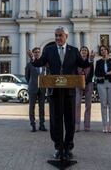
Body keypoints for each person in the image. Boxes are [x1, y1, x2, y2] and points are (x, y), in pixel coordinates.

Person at [28, 26, 94, 160]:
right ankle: (58, 147)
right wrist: (33, 59)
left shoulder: (74, 51)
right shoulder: (48, 50)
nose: (57, 38)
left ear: (66, 37)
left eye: (60, 35)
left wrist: (90, 60)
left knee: (70, 121)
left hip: (69, 91)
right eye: (56, 35)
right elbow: (39, 63)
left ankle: (68, 148)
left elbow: (83, 63)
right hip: (55, 91)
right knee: (55, 121)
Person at [94, 45, 111, 133]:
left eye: (104, 50)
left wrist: (107, 73)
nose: (103, 51)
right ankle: (104, 125)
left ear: (107, 51)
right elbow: (96, 74)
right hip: (101, 84)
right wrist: (108, 73)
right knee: (103, 104)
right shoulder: (98, 62)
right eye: (101, 50)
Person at [25, 47, 47, 133]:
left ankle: (42, 125)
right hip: (32, 88)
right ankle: (33, 124)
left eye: (38, 52)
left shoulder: (43, 64)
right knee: (32, 107)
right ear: (33, 54)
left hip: (42, 88)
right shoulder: (29, 64)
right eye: (35, 52)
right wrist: (31, 83)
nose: (37, 53)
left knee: (42, 107)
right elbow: (27, 77)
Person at [75, 46, 94, 132]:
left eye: (85, 50)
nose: (84, 51)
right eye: (82, 50)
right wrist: (80, 81)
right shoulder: (76, 61)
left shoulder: (90, 61)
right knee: (77, 104)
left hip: (88, 83)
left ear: (87, 52)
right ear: (80, 52)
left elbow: (91, 73)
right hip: (78, 84)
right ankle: (77, 125)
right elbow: (75, 72)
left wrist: (86, 81)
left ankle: (87, 125)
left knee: (88, 105)